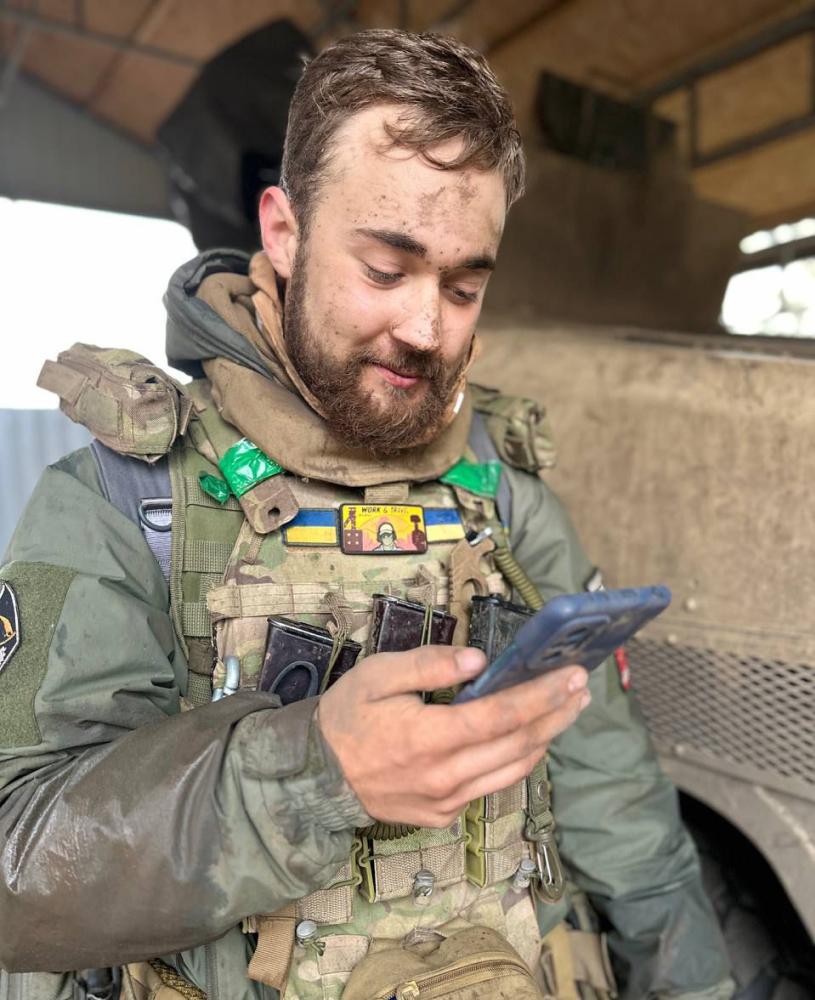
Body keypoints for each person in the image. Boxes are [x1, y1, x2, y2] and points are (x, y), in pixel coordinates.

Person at [0, 28, 733, 1000]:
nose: (427, 328)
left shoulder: (502, 496)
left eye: (464, 286)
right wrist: (313, 773)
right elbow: (19, 866)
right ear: (284, 231)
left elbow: (617, 804)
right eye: (386, 269)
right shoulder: (129, 500)